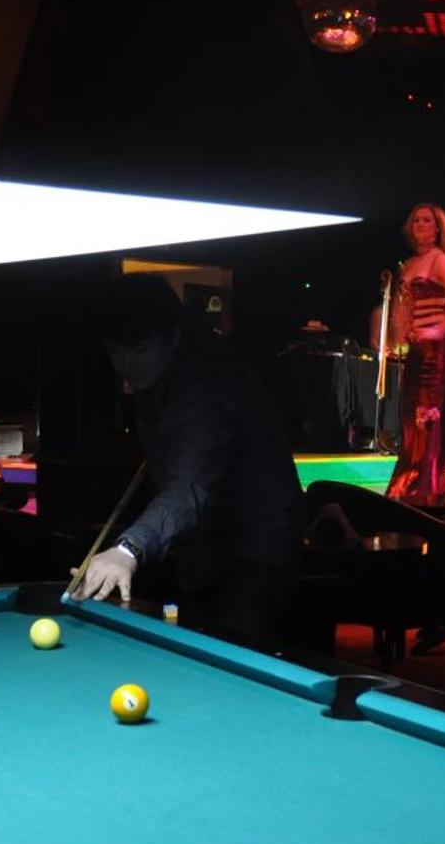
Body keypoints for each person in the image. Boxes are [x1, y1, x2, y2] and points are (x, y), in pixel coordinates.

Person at [75, 275, 304, 645]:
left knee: (234, 651)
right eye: (117, 351)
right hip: (205, 542)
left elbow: (190, 486)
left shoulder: (205, 384)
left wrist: (128, 548)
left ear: (174, 336)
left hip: (257, 543)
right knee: (196, 640)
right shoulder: (158, 375)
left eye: (140, 349)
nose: (127, 364)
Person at [385, 203, 445, 506]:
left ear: (437, 228)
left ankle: (424, 486)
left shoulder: (438, 259)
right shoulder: (409, 264)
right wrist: (397, 338)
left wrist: (440, 329)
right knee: (410, 417)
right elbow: (403, 309)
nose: (420, 224)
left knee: (424, 417)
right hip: (415, 351)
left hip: (432, 353)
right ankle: (412, 483)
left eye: (427, 220)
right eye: (416, 220)